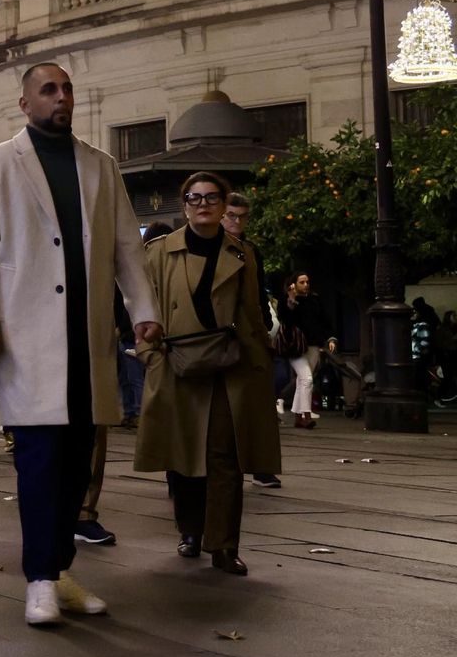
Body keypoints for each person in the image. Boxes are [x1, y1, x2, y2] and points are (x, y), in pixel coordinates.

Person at [0, 62, 160, 627]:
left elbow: (127, 248)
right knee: (41, 461)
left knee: (78, 464)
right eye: (48, 89)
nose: (60, 97)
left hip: (88, 335)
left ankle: (60, 569)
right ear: (25, 103)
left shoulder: (100, 166)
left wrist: (143, 311)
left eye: (67, 88)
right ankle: (40, 579)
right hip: (26, 337)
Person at [133, 172, 282, 576]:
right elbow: (137, 305)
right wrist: (151, 355)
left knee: (224, 458)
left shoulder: (243, 253)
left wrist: (258, 364)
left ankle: (224, 545)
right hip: (176, 364)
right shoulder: (159, 251)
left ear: (222, 205)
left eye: (211, 197)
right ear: (184, 206)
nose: (203, 204)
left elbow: (252, 313)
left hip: (228, 367)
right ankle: (191, 531)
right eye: (194, 198)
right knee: (183, 457)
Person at [220, 195, 282, 488]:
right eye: (232, 215)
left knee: (256, 405)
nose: (237, 222)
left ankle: (260, 465)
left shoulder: (250, 250)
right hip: (214, 335)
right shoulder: (209, 245)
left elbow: (258, 293)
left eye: (242, 217)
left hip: (248, 332)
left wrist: (266, 329)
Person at [278, 272, 332, 429]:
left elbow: (323, 320)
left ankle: (297, 418)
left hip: (313, 345)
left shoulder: (315, 300)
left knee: (303, 381)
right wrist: (291, 300)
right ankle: (306, 416)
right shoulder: (286, 300)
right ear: (294, 284)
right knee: (307, 379)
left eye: (307, 281)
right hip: (294, 347)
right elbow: (286, 320)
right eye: (302, 282)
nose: (306, 284)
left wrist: (329, 338)